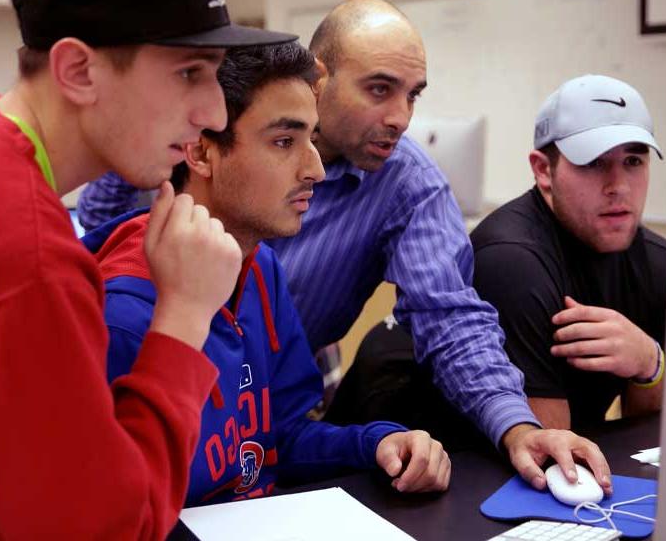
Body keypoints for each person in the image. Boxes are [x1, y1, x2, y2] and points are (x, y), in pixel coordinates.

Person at [77, 0, 613, 494]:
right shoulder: (127, 311)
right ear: (321, 77)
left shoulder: (268, 263)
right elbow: (118, 504)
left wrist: (502, 426)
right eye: (380, 89)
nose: (402, 117)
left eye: (413, 95)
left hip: (265, 389)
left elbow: (447, 318)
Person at [0, 0, 298, 538]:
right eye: (189, 72)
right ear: (78, 71)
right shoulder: (21, 257)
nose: (213, 112)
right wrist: (185, 312)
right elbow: (108, 530)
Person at [85, 42, 451, 506]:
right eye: (284, 142)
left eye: (312, 140)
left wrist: (376, 444)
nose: (315, 169)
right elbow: (108, 512)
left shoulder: (259, 265)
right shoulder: (122, 316)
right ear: (200, 152)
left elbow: (277, 438)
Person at [470, 74, 666, 430]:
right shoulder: (511, 261)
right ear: (544, 170)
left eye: (633, 161)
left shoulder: (660, 264)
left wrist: (649, 364)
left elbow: (651, 440)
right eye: (594, 163)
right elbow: (549, 452)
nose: (619, 187)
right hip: (392, 459)